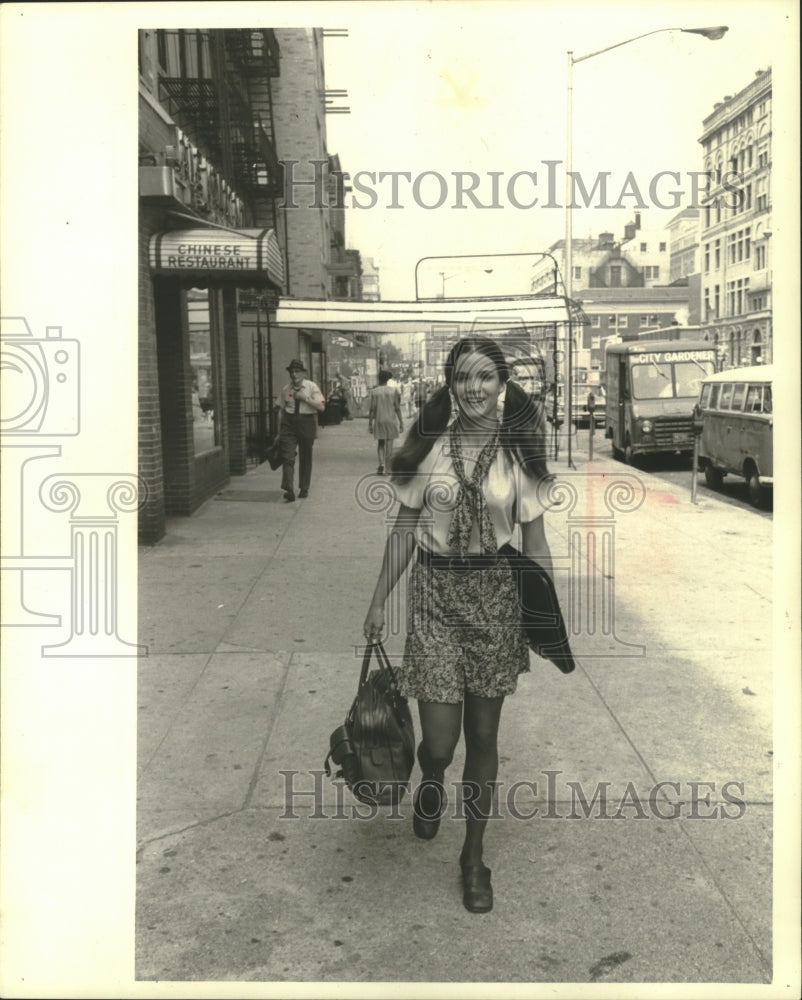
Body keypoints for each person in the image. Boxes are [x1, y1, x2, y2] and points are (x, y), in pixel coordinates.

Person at [362, 337, 553, 914]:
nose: (475, 388)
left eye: (486, 378)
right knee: (440, 743)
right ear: (449, 384)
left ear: (503, 386)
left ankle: (474, 856)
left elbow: (536, 545)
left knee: (486, 738)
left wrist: (546, 618)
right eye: (464, 377)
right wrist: (377, 603)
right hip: (436, 598)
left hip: (496, 598)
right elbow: (402, 531)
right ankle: (430, 779)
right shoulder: (428, 451)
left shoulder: (519, 456)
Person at [275, 359, 325, 501]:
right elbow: (280, 411)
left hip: (306, 422)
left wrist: (306, 398)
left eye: (297, 371)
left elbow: (321, 407)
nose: (294, 374)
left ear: (304, 373)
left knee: (305, 456)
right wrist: (278, 432)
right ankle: (289, 489)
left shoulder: (311, 387)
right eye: (292, 371)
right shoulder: (286, 389)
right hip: (289, 424)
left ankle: (304, 487)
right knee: (287, 456)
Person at [368, 370, 404, 474]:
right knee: (389, 446)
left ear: (379, 378)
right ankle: (388, 469)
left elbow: (372, 409)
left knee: (380, 443)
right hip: (391, 421)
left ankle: (381, 464)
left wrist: (370, 423)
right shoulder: (393, 391)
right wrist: (401, 422)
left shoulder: (375, 392)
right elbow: (397, 408)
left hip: (379, 420)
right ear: (388, 379)